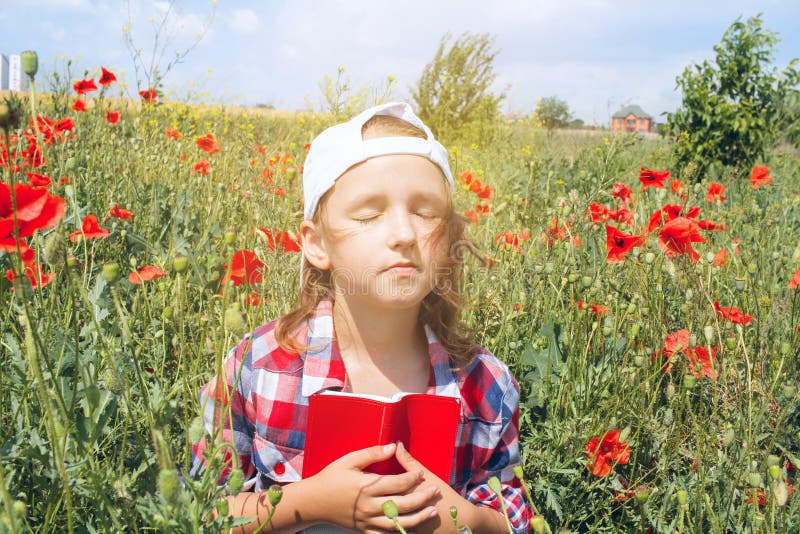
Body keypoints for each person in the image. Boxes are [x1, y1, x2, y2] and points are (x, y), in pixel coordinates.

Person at [192, 102, 531, 533]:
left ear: (447, 238)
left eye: (426, 213)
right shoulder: (257, 367)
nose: (404, 235)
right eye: (369, 215)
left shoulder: (486, 386)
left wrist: (465, 520)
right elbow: (201, 513)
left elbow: (515, 519)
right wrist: (312, 502)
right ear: (317, 245)